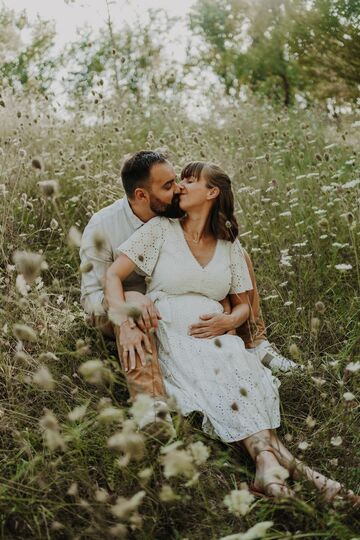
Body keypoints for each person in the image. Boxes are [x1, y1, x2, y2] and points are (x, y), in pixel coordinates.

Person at [104, 160, 358, 502]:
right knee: (220, 382)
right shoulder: (160, 230)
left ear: (212, 193)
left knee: (240, 377)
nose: (180, 186)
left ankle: (269, 466)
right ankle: (296, 470)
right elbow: (113, 276)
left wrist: (229, 322)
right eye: (178, 181)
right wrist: (123, 318)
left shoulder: (230, 245)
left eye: (189, 181)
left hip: (219, 333)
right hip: (176, 332)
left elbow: (242, 305)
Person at [80, 151, 298, 428]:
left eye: (178, 181)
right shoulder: (103, 226)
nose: (179, 188)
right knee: (138, 315)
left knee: (238, 255)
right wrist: (128, 305)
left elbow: (198, 271)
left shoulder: (174, 212)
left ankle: (255, 341)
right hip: (120, 305)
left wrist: (229, 313)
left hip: (169, 301)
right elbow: (91, 299)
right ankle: (151, 406)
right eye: (169, 186)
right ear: (142, 195)